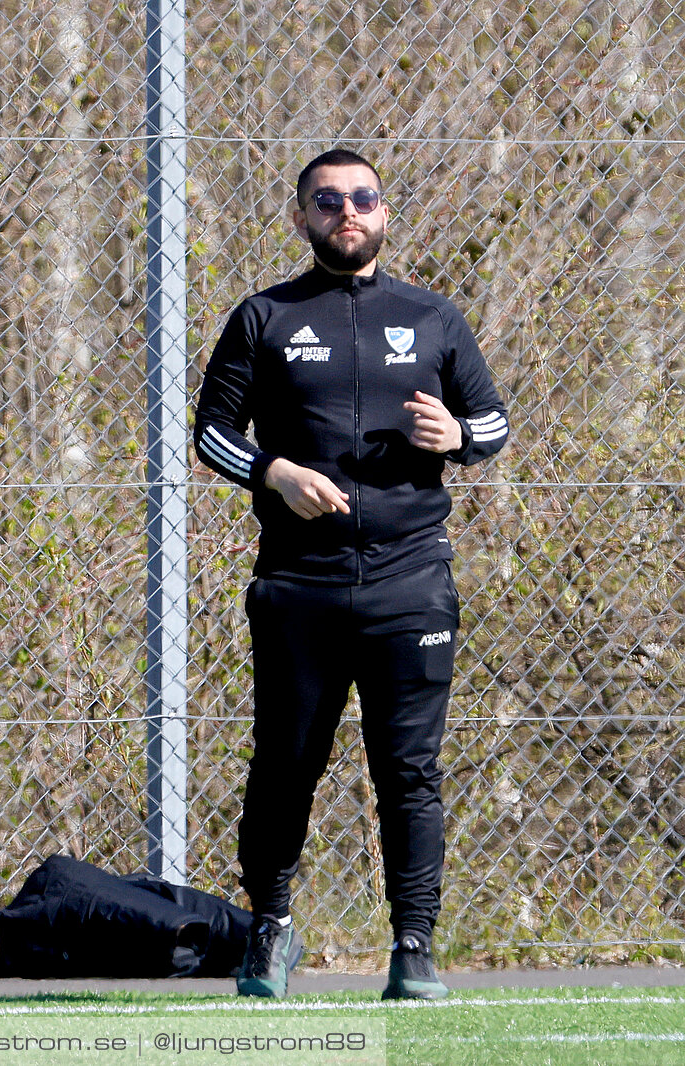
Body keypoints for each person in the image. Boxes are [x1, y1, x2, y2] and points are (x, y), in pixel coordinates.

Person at [193, 148, 510, 1001]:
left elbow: (493, 420)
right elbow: (212, 434)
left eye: (363, 198)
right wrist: (277, 475)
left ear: (383, 211)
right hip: (300, 584)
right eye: (327, 200)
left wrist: (460, 439)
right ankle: (271, 931)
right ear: (301, 216)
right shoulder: (264, 315)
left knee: (407, 769)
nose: (348, 212)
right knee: (286, 762)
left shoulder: (434, 316)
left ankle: (414, 948)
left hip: (411, 582)